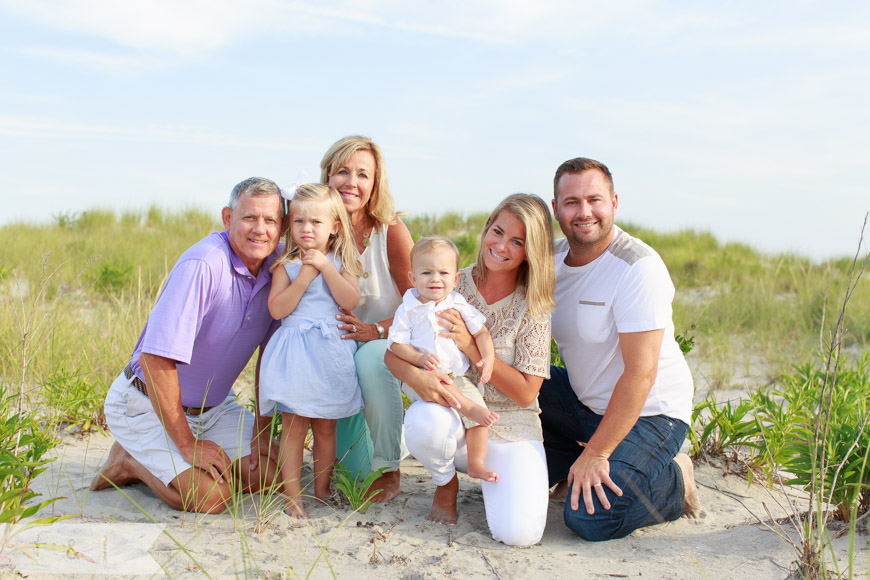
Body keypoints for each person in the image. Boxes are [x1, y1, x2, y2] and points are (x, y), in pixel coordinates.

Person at [90, 177, 283, 513]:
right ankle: (128, 461)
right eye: (250, 217)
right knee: (212, 498)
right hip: (146, 404)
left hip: (216, 408)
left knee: (271, 475)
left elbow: (268, 357)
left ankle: (183, 464)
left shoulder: (276, 270)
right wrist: (188, 445)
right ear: (227, 218)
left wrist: (263, 433)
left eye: (271, 220)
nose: (260, 230)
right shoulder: (204, 264)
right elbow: (154, 360)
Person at [540, 157, 701, 542]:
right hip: (585, 401)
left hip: (651, 415)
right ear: (555, 209)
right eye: (572, 202)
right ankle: (570, 464)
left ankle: (678, 478)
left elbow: (641, 375)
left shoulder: (637, 268)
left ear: (614, 201)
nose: (584, 212)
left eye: (594, 200)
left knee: (590, 519)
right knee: (510, 394)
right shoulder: (550, 260)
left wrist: (596, 453)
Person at [386, 194, 556, 547]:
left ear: (530, 251)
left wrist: (469, 345)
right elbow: (393, 354)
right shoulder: (445, 278)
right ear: (486, 227)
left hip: (510, 423)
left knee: (519, 535)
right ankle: (445, 482)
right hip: (452, 417)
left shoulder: (534, 304)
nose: (501, 246)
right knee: (422, 420)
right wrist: (416, 374)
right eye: (497, 231)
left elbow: (527, 393)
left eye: (517, 241)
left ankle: (491, 474)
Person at [259, 183, 364, 519]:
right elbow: (278, 310)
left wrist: (326, 268)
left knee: (325, 427)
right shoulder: (285, 264)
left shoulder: (344, 260)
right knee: (293, 426)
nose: (307, 229)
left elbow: (350, 302)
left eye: (316, 222)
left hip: (329, 353)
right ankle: (293, 497)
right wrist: (304, 276)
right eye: (300, 221)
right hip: (296, 353)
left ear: (334, 226)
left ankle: (321, 489)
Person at [321, 135, 414, 502]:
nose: (352, 183)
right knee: (354, 478)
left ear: (375, 184)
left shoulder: (389, 231)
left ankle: (390, 465)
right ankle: (372, 443)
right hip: (339, 355)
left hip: (389, 344)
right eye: (343, 171)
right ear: (328, 176)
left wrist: (374, 330)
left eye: (363, 175)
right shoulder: (316, 228)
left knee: (370, 359)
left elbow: (418, 307)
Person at [388, 236, 499, 482]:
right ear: (412, 278)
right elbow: (396, 345)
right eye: (426, 272)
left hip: (457, 377)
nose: (435, 279)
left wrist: (488, 359)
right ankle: (466, 409)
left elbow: (481, 332)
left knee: (480, 419)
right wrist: (417, 358)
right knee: (473, 410)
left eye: (443, 272)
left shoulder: (457, 303)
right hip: (423, 378)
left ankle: (476, 464)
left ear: (456, 279)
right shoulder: (408, 308)